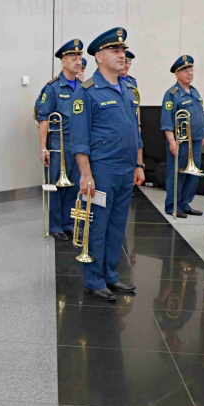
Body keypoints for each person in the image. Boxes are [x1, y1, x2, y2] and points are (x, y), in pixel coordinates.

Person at [71, 27, 144, 301]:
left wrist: (139, 165)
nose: (121, 55)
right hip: (101, 170)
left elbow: (133, 132)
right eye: (115, 50)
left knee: (117, 225)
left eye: (123, 50)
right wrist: (86, 173)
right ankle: (94, 279)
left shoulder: (127, 89)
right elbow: (79, 138)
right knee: (97, 225)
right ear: (99, 56)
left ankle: (110, 275)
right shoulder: (88, 92)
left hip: (125, 170)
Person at [36, 39, 84, 240]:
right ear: (63, 61)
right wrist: (43, 148)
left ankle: (68, 223)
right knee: (56, 186)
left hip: (78, 143)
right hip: (58, 144)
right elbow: (43, 118)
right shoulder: (52, 87)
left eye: (80, 57)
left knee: (74, 186)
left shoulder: (83, 86)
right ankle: (55, 226)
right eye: (73, 57)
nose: (78, 61)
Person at [161, 55, 204, 217]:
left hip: (196, 141)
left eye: (191, 69)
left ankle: (185, 203)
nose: (189, 73)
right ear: (177, 74)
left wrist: (202, 136)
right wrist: (172, 142)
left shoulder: (194, 91)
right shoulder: (172, 94)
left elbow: (200, 114)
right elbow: (166, 122)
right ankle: (172, 205)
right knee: (177, 174)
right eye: (185, 70)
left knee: (192, 174)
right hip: (181, 142)